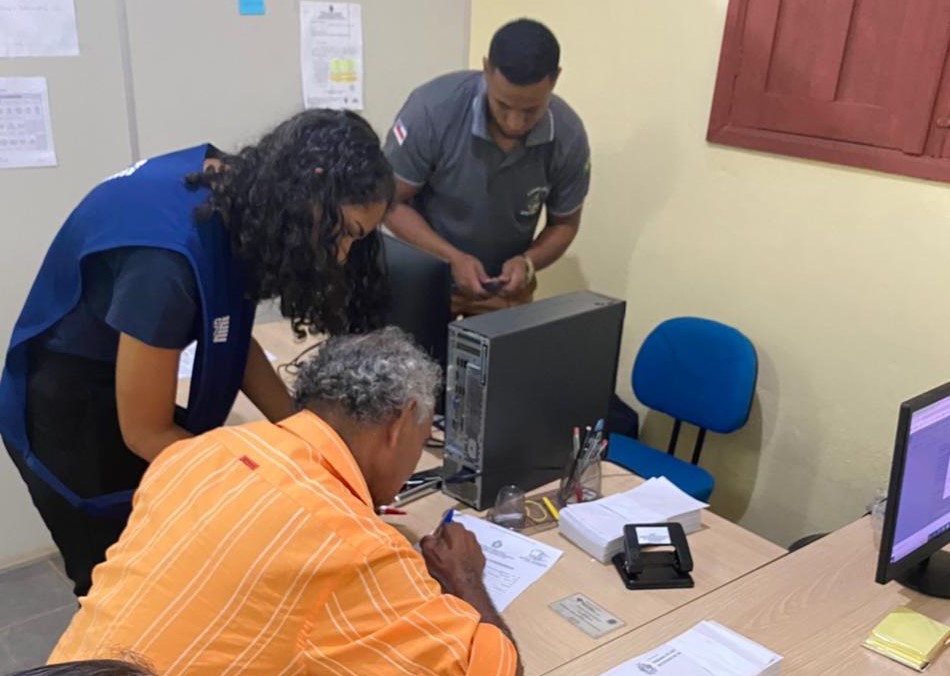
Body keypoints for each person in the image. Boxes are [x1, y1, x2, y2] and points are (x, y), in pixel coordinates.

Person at [0, 109, 394, 597]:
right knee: (124, 586)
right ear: (312, 187)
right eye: (349, 233)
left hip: (123, 381)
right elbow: (145, 431)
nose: (341, 256)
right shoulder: (167, 262)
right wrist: (264, 478)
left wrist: (302, 432)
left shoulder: (241, 195)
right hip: (69, 408)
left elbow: (231, 330)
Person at [48, 328, 521, 675]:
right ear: (401, 423)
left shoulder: (196, 454)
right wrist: (465, 576)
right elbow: (499, 672)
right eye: (423, 439)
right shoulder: (352, 549)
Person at [384, 18, 591, 317]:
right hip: (427, 283)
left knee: (506, 363)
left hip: (504, 298)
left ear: (555, 79)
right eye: (503, 105)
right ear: (486, 70)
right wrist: (451, 259)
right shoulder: (431, 110)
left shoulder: (568, 135)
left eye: (531, 110)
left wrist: (528, 262)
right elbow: (390, 203)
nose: (514, 123)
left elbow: (564, 224)